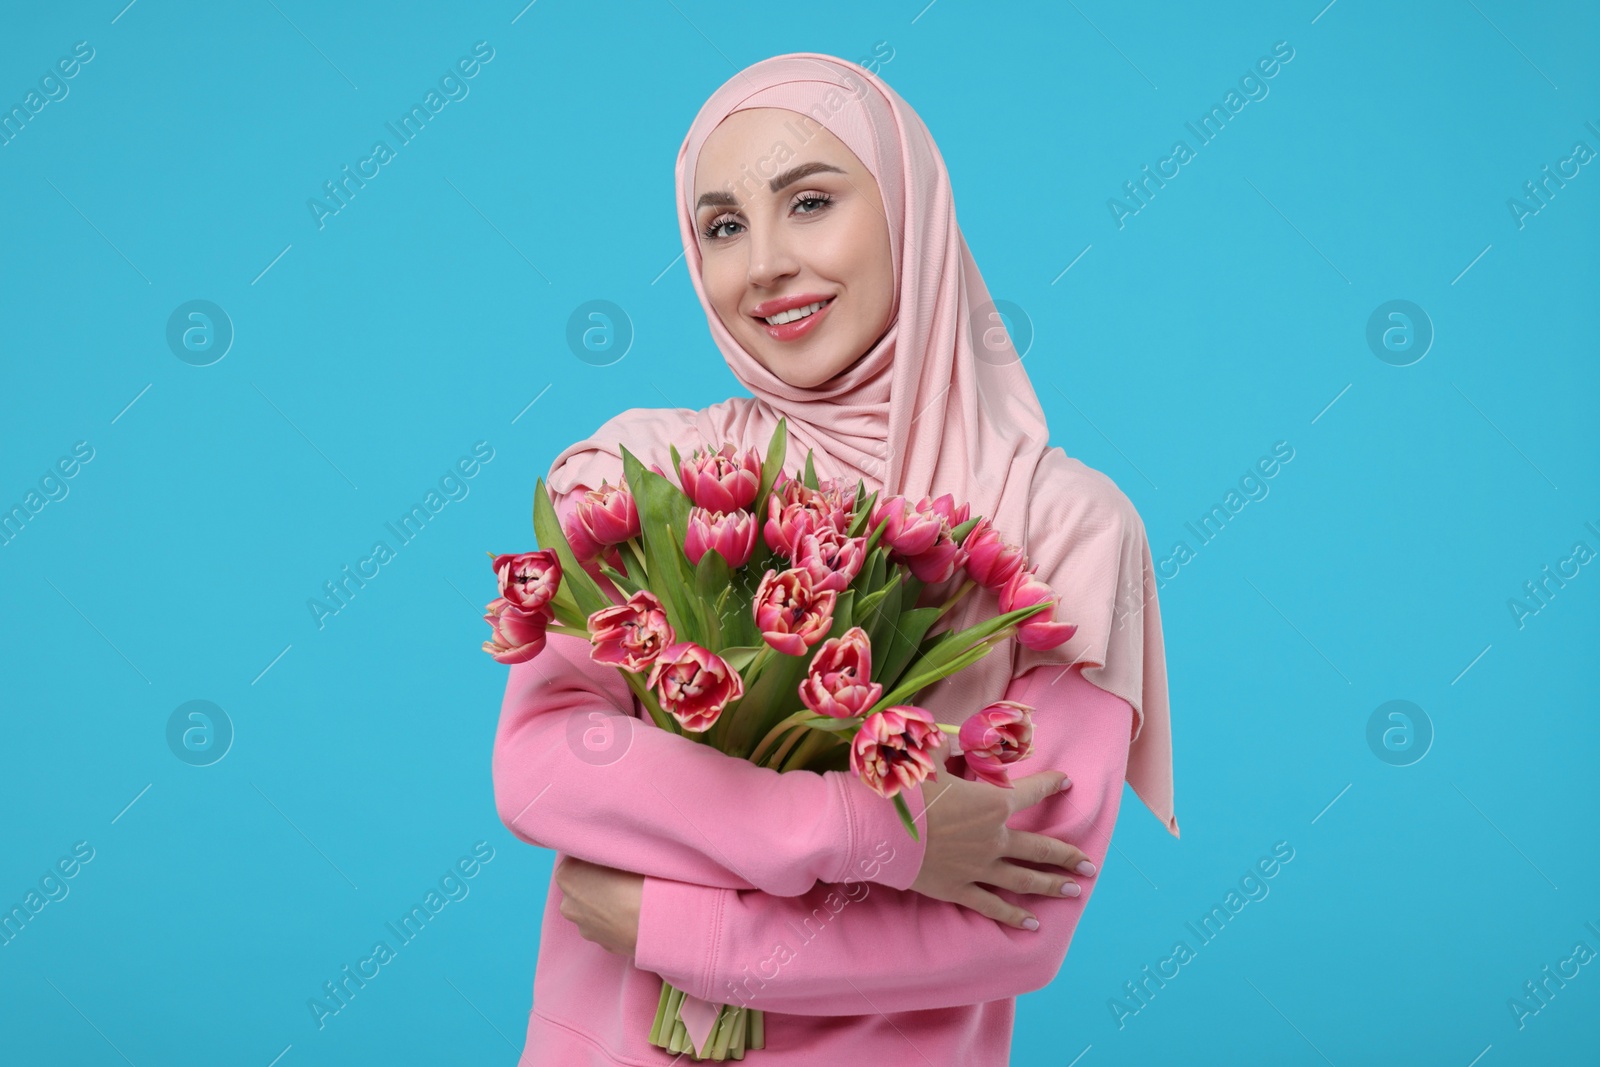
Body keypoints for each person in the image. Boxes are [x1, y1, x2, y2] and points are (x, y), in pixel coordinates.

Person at [492, 52, 1178, 1065]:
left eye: (808, 202)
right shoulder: (643, 473)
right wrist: (874, 832)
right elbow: (544, 771)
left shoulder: (1065, 529)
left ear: (909, 209)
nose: (762, 262)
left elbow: (1011, 923)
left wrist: (677, 933)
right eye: (723, 225)